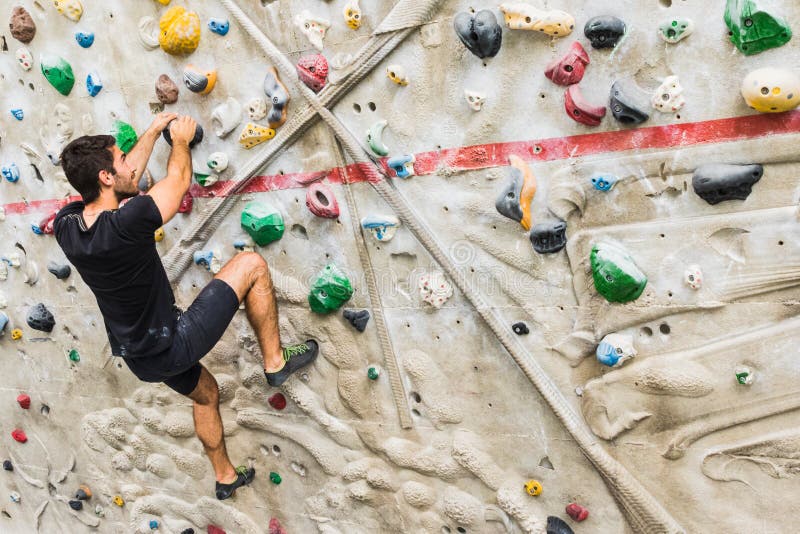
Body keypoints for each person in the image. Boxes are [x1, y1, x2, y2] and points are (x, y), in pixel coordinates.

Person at [54, 113, 318, 500]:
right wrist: (177, 139)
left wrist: (149, 131)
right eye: (122, 159)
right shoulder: (129, 222)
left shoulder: (68, 226)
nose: (131, 164)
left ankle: (225, 476)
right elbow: (175, 183)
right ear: (106, 178)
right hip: (172, 342)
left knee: (206, 393)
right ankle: (275, 362)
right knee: (251, 266)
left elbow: (125, 183)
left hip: (140, 358)